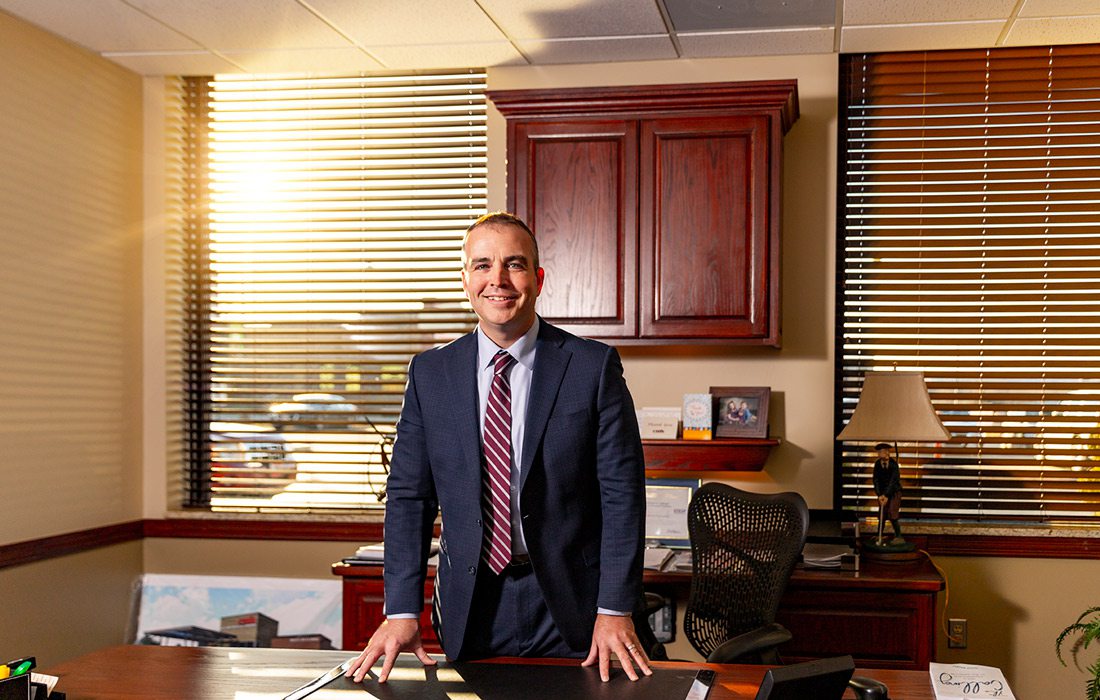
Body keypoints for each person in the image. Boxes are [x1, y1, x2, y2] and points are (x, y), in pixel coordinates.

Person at [345, 212, 651, 685]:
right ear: (465, 278)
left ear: (538, 278)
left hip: (575, 605)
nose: (498, 280)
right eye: (483, 265)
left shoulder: (592, 367)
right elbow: (409, 498)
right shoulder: (430, 374)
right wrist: (402, 610)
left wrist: (614, 608)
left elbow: (622, 497)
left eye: (514, 264)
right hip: (473, 604)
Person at [872, 442, 903, 543]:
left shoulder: (894, 465)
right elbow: (875, 480)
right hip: (882, 493)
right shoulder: (877, 464)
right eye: (879, 452)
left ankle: (898, 536)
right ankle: (879, 535)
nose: (880, 453)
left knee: (892, 513)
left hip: (894, 492)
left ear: (887, 453)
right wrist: (879, 495)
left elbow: (893, 482)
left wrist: (886, 495)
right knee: (882, 513)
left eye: (882, 451)